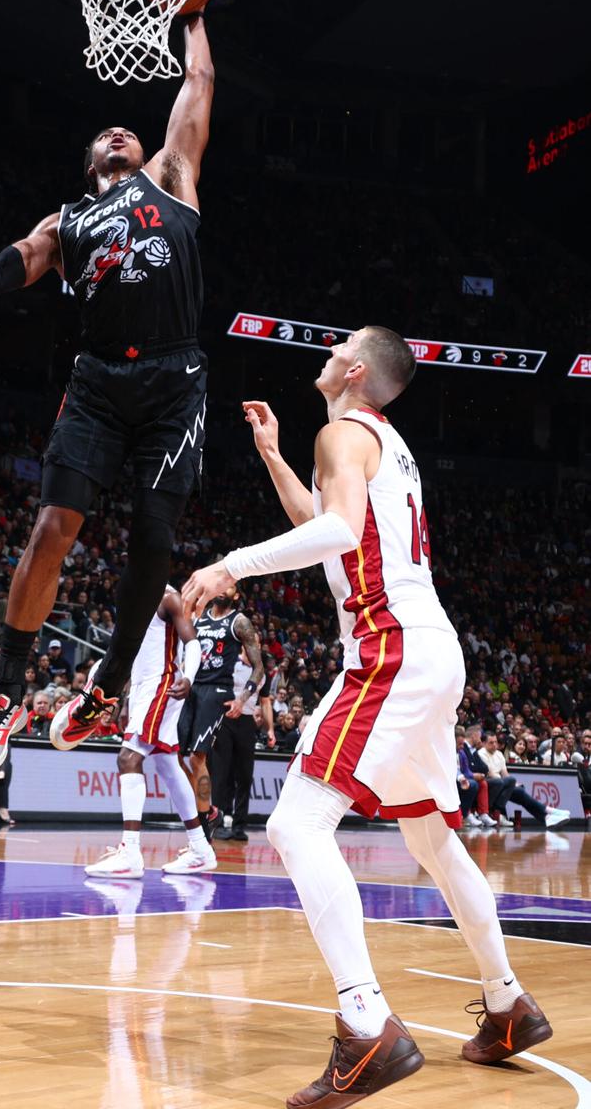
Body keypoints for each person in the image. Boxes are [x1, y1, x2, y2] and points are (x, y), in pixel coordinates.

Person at [182, 328, 553, 1107]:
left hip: (389, 648)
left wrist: (230, 564)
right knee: (431, 836)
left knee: (295, 826)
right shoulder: (384, 441)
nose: (325, 354)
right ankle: (506, 1004)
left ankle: (366, 1026)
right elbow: (328, 528)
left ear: (354, 371)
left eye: (338, 347)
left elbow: (339, 531)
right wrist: (275, 457)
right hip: (432, 648)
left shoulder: (342, 430)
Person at [0, 13, 215, 774]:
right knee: (52, 528)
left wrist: (192, 11)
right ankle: (4, 695)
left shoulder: (172, 175)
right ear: (93, 159)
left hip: (175, 380)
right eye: (108, 133)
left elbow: (198, 81)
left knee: (152, 542)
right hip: (98, 382)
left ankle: (105, 688)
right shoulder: (66, 223)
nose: (122, 132)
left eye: (130, 129)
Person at [85, 586, 217, 878]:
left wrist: (190, 678)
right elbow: (132, 655)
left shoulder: (167, 597)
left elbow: (192, 642)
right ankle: (200, 849)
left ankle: (130, 852)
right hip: (143, 689)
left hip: (163, 684)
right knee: (169, 765)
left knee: (128, 758)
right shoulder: (133, 598)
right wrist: (123, 697)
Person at [177, 585, 263, 840]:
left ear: (236, 595)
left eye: (230, 587)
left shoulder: (239, 622)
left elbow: (258, 668)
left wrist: (242, 699)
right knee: (172, 757)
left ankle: (203, 825)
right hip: (192, 688)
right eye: (220, 585)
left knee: (197, 758)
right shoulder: (198, 617)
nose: (223, 589)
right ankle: (209, 810)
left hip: (217, 691)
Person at [213, 647, 274, 841]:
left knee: (245, 776)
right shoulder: (230, 661)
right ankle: (220, 822)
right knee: (222, 773)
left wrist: (270, 729)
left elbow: (265, 702)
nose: (253, 647)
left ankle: (239, 825)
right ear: (242, 646)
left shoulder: (261, 672)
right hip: (226, 718)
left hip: (247, 722)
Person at [479, 730, 569, 829]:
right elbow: (491, 774)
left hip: (502, 784)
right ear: (483, 743)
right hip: (490, 785)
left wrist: (513, 784)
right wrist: (510, 783)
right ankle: (498, 812)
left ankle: (547, 817)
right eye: (491, 743)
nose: (494, 745)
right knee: (510, 781)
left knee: (519, 791)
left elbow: (505, 773)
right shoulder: (481, 753)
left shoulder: (499, 754)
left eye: (495, 742)